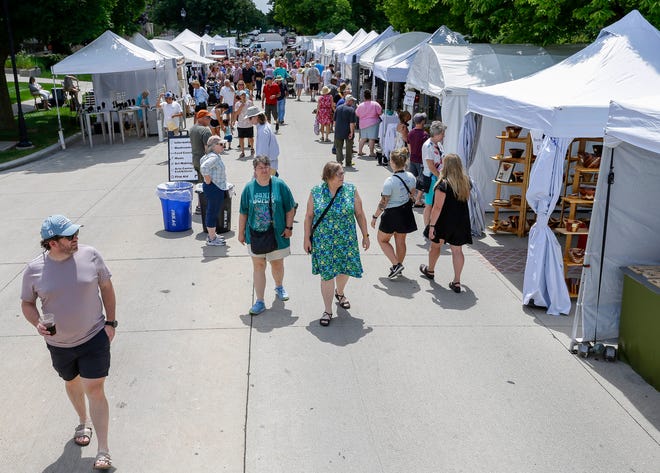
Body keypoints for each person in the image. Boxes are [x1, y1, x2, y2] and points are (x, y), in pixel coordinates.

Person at [21, 215, 117, 470]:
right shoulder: (34, 269)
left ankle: (103, 450)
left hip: (94, 336)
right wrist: (37, 323)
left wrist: (111, 322)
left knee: (95, 389)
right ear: (52, 243)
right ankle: (82, 421)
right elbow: (27, 303)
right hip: (59, 344)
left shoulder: (91, 255)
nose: (76, 238)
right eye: (70, 236)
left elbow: (106, 287)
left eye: (76, 233)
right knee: (71, 381)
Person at [303, 162, 370, 326]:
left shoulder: (351, 190)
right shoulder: (316, 192)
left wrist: (365, 235)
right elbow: (309, 216)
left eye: (342, 173)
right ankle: (327, 310)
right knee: (327, 275)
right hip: (324, 242)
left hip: (346, 241)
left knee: (344, 270)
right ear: (329, 176)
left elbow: (359, 214)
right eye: (339, 174)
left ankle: (339, 293)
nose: (343, 176)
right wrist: (306, 238)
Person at [238, 156, 296, 316]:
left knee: (277, 264)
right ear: (255, 170)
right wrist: (241, 232)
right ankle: (260, 301)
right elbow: (243, 211)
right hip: (255, 236)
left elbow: (290, 208)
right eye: (260, 167)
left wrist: (289, 227)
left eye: (266, 166)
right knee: (258, 266)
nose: (264, 170)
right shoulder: (249, 188)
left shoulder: (279, 185)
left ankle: (279, 286)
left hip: (277, 234)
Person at [420, 154, 472, 292]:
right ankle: (457, 281)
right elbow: (465, 200)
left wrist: (431, 226)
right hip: (460, 220)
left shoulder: (442, 184)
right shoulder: (466, 182)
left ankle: (430, 270)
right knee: (457, 251)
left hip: (443, 221)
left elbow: (437, 208)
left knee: (435, 246)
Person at [370, 148, 418, 279]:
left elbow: (383, 202)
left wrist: (375, 217)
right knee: (401, 241)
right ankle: (399, 266)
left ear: (392, 163)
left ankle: (396, 265)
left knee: (382, 240)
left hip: (392, 214)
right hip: (406, 212)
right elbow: (412, 194)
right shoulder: (411, 177)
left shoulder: (390, 181)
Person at [200, 136, 229, 246]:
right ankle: (212, 238)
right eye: (221, 144)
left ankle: (212, 235)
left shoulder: (209, 156)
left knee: (213, 210)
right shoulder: (214, 157)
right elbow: (204, 167)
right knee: (212, 212)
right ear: (213, 146)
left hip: (214, 187)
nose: (223, 146)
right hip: (214, 187)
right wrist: (208, 180)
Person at [421, 121, 447, 226]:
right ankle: (427, 227)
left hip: (438, 177)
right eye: (442, 133)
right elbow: (431, 166)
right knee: (429, 204)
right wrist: (440, 177)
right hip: (431, 178)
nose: (444, 135)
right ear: (436, 134)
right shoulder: (428, 146)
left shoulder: (439, 144)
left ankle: (434, 225)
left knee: (437, 203)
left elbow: (443, 158)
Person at [247, 106, 280, 175]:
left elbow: (263, 152)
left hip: (266, 167)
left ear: (256, 117)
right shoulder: (264, 126)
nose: (249, 120)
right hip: (269, 165)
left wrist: (259, 168)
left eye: (250, 118)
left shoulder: (263, 131)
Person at [407, 113, 428, 207]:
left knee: (412, 179)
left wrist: (412, 156)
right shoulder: (424, 134)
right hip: (421, 161)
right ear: (423, 121)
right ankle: (418, 200)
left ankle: (411, 198)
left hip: (412, 159)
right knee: (421, 181)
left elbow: (409, 146)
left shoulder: (410, 132)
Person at [355, 89, 383, 157]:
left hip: (363, 123)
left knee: (363, 138)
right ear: (371, 96)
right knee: (371, 138)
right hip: (373, 123)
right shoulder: (375, 104)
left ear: (364, 97)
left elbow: (357, 114)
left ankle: (360, 151)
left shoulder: (360, 105)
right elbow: (380, 113)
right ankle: (371, 152)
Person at [333, 94, 356, 167]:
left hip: (338, 130)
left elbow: (334, 121)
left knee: (338, 147)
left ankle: (339, 161)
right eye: (352, 101)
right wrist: (352, 132)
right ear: (349, 101)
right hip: (348, 131)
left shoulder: (338, 108)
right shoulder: (351, 110)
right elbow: (351, 123)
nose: (353, 102)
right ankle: (348, 162)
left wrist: (335, 128)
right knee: (349, 147)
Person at [234, 90, 254, 159]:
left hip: (249, 124)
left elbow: (253, 111)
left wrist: (252, 119)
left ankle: (252, 148)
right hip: (241, 124)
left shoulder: (250, 102)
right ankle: (242, 152)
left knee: (251, 138)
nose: (243, 96)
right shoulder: (237, 104)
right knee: (241, 139)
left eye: (244, 95)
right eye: (242, 95)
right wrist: (241, 106)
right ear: (239, 96)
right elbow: (236, 113)